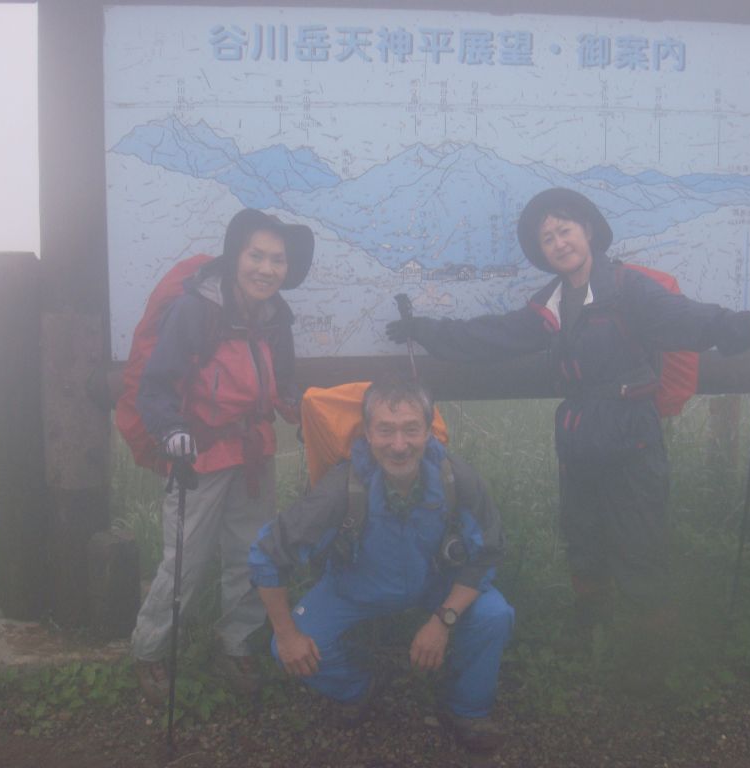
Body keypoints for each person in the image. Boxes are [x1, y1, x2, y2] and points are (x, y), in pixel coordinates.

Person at [386, 187, 750, 641]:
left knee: (641, 540)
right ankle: (591, 629)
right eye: (547, 238)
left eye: (564, 230)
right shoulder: (549, 305)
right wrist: (424, 329)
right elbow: (492, 336)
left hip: (632, 434)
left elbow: (686, 318)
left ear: (588, 231)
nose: (558, 242)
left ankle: (652, 649)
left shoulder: (628, 289)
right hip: (578, 439)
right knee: (583, 536)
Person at [249, 374, 513, 754]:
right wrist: (288, 633)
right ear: (368, 435)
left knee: (494, 614)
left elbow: (486, 553)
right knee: (283, 646)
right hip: (354, 588)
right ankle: (363, 684)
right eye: (385, 431)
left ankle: (466, 709)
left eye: (410, 430)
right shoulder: (341, 489)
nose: (399, 445)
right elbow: (268, 553)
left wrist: (443, 620)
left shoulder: (457, 478)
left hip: (432, 584)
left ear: (428, 432)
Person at [131, 208, 314, 705]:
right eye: (256, 255)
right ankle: (149, 650)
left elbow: (285, 383)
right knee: (185, 561)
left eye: (277, 259)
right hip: (200, 455)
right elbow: (155, 387)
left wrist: (308, 413)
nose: (266, 268)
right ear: (236, 256)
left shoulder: (276, 317)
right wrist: (171, 431)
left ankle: (234, 644)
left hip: (253, 453)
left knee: (249, 553)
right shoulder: (196, 310)